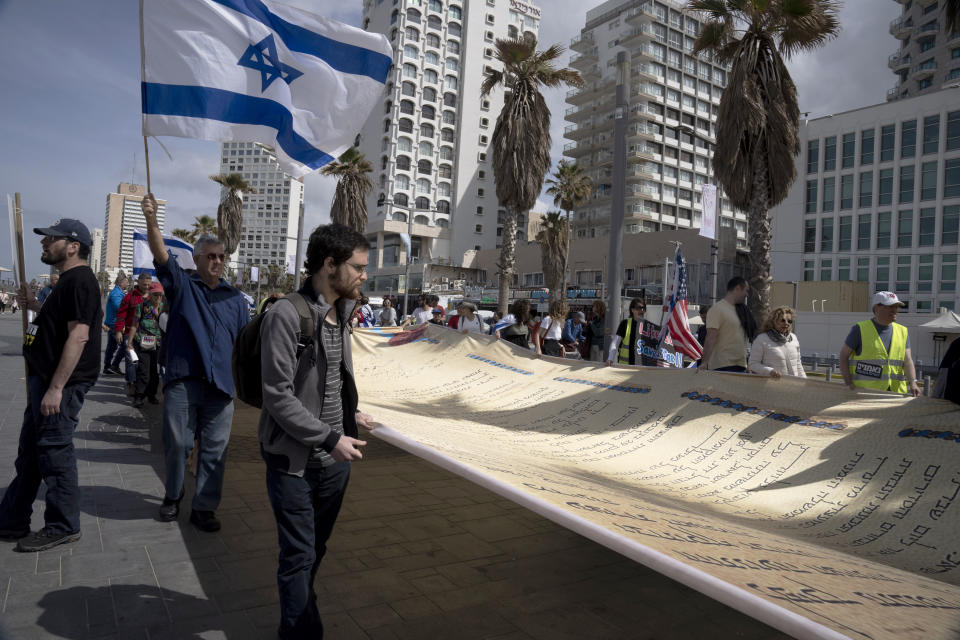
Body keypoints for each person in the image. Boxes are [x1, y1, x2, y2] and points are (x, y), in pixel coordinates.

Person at [258, 223, 374, 639]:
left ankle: (300, 613)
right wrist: (329, 436)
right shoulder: (286, 315)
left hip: (334, 466)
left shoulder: (342, 312)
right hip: (294, 465)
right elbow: (278, 396)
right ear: (329, 265)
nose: (364, 275)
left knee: (313, 552)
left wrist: (351, 414)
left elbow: (332, 380)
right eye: (358, 267)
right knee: (297, 557)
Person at [141, 193, 250, 531]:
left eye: (221, 257)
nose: (217, 261)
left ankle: (203, 508)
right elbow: (161, 258)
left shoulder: (236, 299)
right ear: (198, 259)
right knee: (177, 444)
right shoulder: (183, 287)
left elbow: (244, 344)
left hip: (221, 389)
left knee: (215, 452)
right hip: (184, 382)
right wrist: (152, 220)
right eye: (211, 256)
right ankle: (173, 495)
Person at [0, 219, 102, 552]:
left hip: (62, 384)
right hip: (45, 379)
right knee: (31, 452)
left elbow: (79, 334)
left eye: (51, 239)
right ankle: (12, 518)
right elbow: (61, 321)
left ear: (73, 246)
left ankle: (63, 524)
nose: (45, 244)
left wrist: (57, 388)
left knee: (54, 452)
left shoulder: (81, 280)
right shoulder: (69, 282)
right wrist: (35, 307)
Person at [839, 291, 921, 396]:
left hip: (896, 394)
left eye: (896, 307)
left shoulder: (903, 331)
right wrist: (848, 383)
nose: (895, 310)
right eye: (890, 306)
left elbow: (908, 361)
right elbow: (843, 356)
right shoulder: (859, 329)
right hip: (865, 394)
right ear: (876, 308)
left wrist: (913, 383)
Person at [699, 277, 751, 372]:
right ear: (737, 288)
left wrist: (747, 364)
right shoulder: (717, 309)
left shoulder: (741, 311)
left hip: (741, 365)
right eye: (746, 291)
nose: (747, 295)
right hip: (722, 365)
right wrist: (704, 362)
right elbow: (710, 337)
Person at [127, 282, 165, 408]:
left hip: (159, 344)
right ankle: (139, 396)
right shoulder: (142, 306)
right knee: (144, 371)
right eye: (155, 295)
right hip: (143, 343)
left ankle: (151, 394)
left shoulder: (165, 308)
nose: (158, 298)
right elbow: (134, 325)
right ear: (150, 294)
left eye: (160, 295)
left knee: (155, 372)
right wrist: (129, 342)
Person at [114, 273, 152, 395]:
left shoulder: (153, 297)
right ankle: (131, 384)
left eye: (148, 284)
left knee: (145, 362)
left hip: (148, 335)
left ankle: (143, 386)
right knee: (131, 360)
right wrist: (119, 331)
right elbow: (121, 315)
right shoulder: (129, 297)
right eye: (144, 284)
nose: (146, 286)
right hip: (130, 333)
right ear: (138, 282)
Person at [606, 298, 673, 367]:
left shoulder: (648, 326)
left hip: (641, 368)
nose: (642, 310)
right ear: (632, 310)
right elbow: (615, 342)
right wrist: (610, 358)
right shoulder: (625, 324)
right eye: (638, 308)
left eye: (643, 308)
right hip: (625, 367)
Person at [748, 306, 806, 379]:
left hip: (792, 386)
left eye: (789, 321)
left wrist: (805, 382)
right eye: (782, 320)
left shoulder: (793, 338)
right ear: (773, 321)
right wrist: (770, 371)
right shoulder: (761, 339)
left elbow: (798, 365)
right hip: (771, 386)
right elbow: (753, 364)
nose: (786, 323)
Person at [102, 274, 129, 376]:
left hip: (113, 323)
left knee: (112, 346)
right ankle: (114, 365)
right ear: (120, 283)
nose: (128, 283)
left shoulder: (119, 293)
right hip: (115, 324)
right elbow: (120, 308)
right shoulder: (116, 294)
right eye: (126, 282)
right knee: (125, 345)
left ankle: (108, 367)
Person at [933, 337, 960, 404]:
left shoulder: (957, 341)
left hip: (948, 368)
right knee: (940, 394)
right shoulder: (957, 342)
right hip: (948, 369)